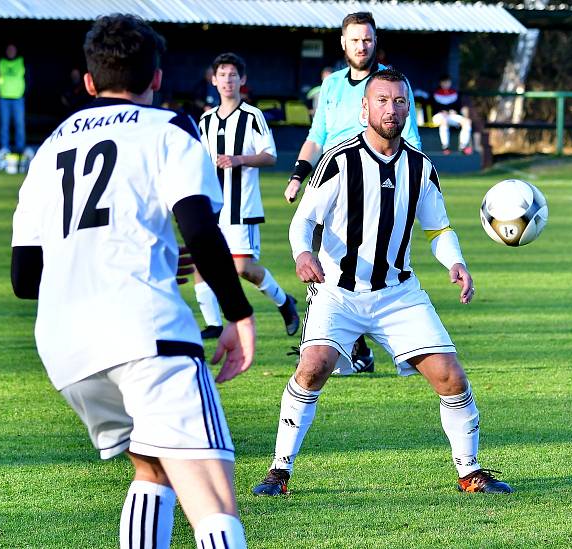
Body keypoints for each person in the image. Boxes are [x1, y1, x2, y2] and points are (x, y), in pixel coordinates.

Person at [10, 14, 255, 548]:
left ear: (91, 82)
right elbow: (197, 224)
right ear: (157, 79)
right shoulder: (170, 128)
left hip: (67, 349)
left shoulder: (48, 148)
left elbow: (25, 278)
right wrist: (238, 313)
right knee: (213, 499)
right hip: (146, 334)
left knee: (154, 469)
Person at [252, 68, 512, 498]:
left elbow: (438, 229)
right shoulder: (339, 159)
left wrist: (457, 262)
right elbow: (304, 222)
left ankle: (470, 472)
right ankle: (279, 472)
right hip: (337, 291)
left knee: (451, 378)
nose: (390, 109)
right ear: (364, 108)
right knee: (313, 366)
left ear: (408, 108)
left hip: (398, 294)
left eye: (399, 102)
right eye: (382, 100)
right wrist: (301, 254)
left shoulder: (421, 167)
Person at [283, 11, 422, 375]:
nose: (362, 46)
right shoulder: (331, 86)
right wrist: (298, 175)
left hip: (375, 184)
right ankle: (337, 344)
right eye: (355, 39)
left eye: (367, 39)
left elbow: (410, 139)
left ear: (376, 42)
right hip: (331, 181)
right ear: (343, 43)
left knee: (368, 266)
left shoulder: (391, 85)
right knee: (321, 261)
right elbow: (318, 136)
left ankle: (358, 343)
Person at [195, 52, 299, 340]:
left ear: (243, 80)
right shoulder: (205, 120)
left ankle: (284, 302)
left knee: (244, 268)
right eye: (222, 74)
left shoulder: (253, 116)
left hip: (241, 207)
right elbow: (202, 160)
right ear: (213, 80)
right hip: (211, 206)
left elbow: (270, 156)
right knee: (202, 263)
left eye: (233, 74)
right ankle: (214, 324)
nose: (227, 80)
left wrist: (238, 159)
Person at [0, 43, 27, 160]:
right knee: (4, 125)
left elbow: (28, 77)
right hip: (4, 98)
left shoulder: (21, 61)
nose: (11, 52)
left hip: (18, 98)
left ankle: (20, 149)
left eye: (13, 49)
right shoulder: (1, 62)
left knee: (19, 124)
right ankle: (4, 149)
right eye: (9, 49)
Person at [432, 74, 473, 155]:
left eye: (447, 82)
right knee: (444, 120)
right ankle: (445, 146)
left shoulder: (455, 93)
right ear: (441, 83)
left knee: (467, 121)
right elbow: (433, 107)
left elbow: (459, 107)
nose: (446, 84)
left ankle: (463, 146)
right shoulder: (435, 93)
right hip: (439, 116)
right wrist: (442, 112)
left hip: (451, 116)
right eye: (444, 82)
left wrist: (455, 111)